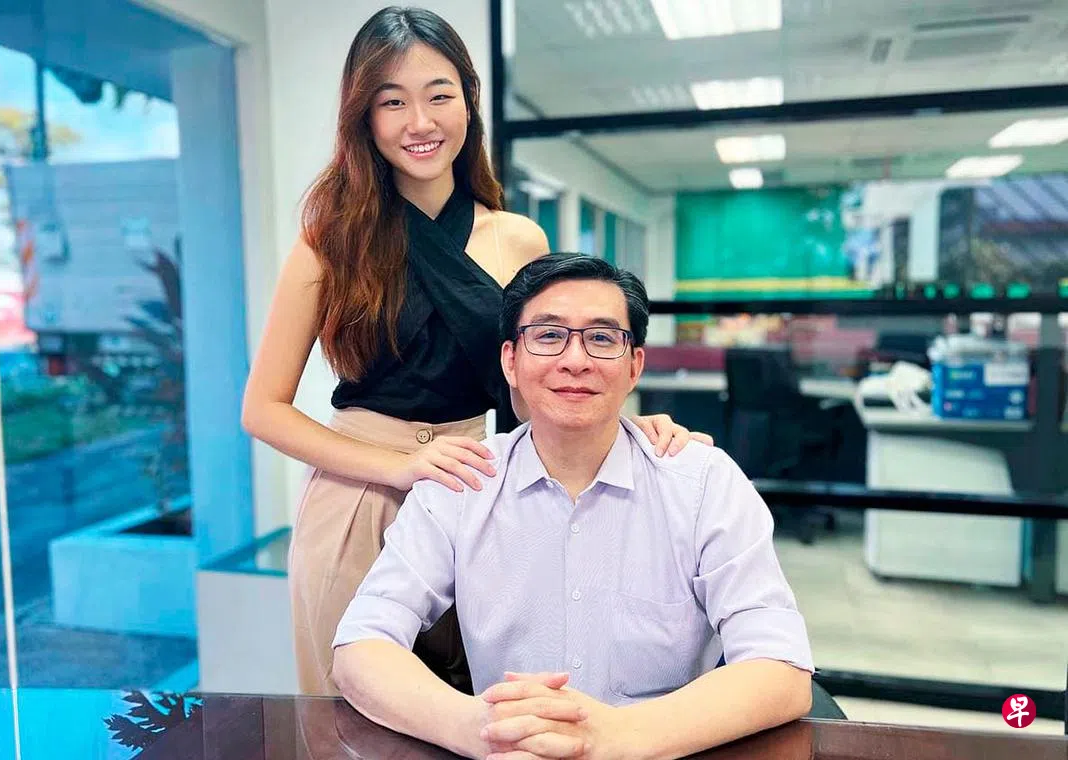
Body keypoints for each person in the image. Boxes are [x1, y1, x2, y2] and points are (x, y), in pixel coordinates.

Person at [240, 6, 710, 697]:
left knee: (486, 703)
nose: (419, 122)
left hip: (478, 487)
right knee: (354, 713)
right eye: (392, 102)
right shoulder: (330, 242)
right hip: (358, 499)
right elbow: (262, 409)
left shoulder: (518, 239)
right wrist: (398, 465)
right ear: (363, 117)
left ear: (468, 101)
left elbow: (543, 373)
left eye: (439, 95)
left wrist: (631, 430)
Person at [332, 253, 814, 760]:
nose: (575, 360)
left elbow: (780, 668)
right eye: (548, 335)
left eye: (602, 338)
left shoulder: (702, 483)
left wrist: (618, 737)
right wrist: (480, 728)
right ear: (510, 361)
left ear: (635, 366)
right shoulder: (461, 484)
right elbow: (361, 643)